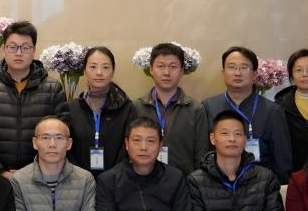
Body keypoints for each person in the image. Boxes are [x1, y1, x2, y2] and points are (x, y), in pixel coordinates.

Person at [0, 21, 65, 175]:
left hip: (40, 176)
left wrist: (34, 173)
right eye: (13, 47)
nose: (19, 53)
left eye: (25, 47)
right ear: (3, 49)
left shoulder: (53, 89)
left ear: (34, 50)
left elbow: (61, 137)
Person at [201, 46, 293, 183]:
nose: (237, 73)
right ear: (223, 73)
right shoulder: (208, 107)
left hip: (261, 185)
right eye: (232, 67)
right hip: (217, 184)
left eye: (244, 67)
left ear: (255, 74)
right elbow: (202, 152)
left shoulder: (273, 111)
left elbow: (282, 159)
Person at [133, 42, 208, 176]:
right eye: (160, 66)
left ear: (182, 70)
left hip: (184, 183)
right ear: (151, 69)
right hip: (143, 182)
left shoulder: (195, 110)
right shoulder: (136, 107)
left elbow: (201, 155)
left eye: (173, 67)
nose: (166, 72)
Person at [59, 46, 132, 174]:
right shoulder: (71, 108)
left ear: (113, 71)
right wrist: (80, 177)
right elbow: (64, 146)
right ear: (84, 71)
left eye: (105, 67)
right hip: (77, 179)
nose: (99, 72)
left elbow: (129, 148)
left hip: (116, 179)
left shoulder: (127, 108)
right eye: (93, 67)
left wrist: (111, 177)